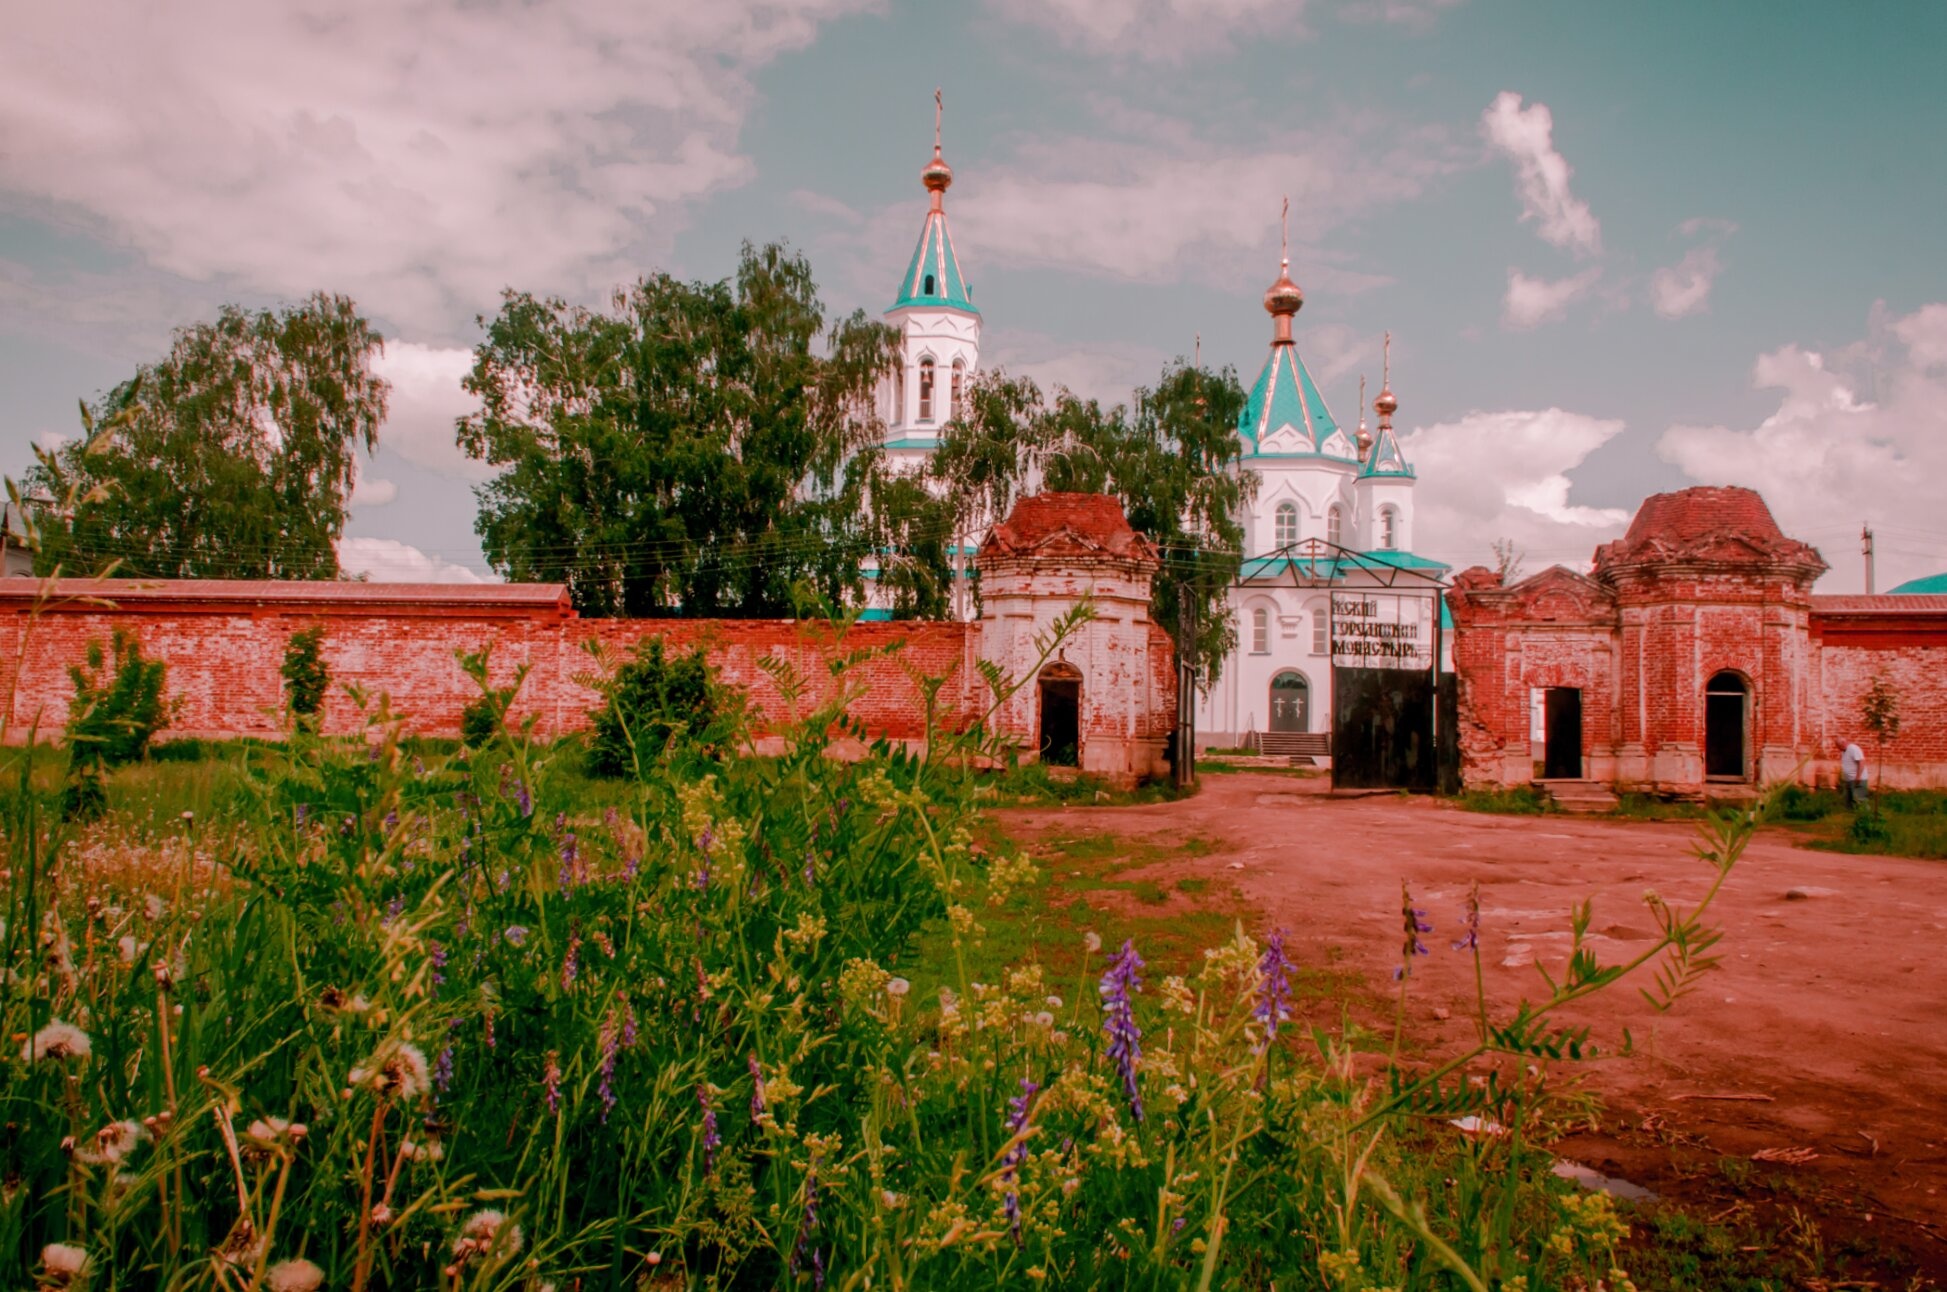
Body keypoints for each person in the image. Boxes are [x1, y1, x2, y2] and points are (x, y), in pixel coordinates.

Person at [1834, 735, 1868, 807]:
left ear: (1843, 743)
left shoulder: (1853, 749)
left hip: (1857, 779)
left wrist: (1858, 776)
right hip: (1849, 780)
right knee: (1850, 801)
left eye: (1838, 746)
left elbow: (1861, 762)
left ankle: (1865, 812)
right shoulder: (1844, 751)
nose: (1838, 748)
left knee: (1859, 799)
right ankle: (1851, 812)